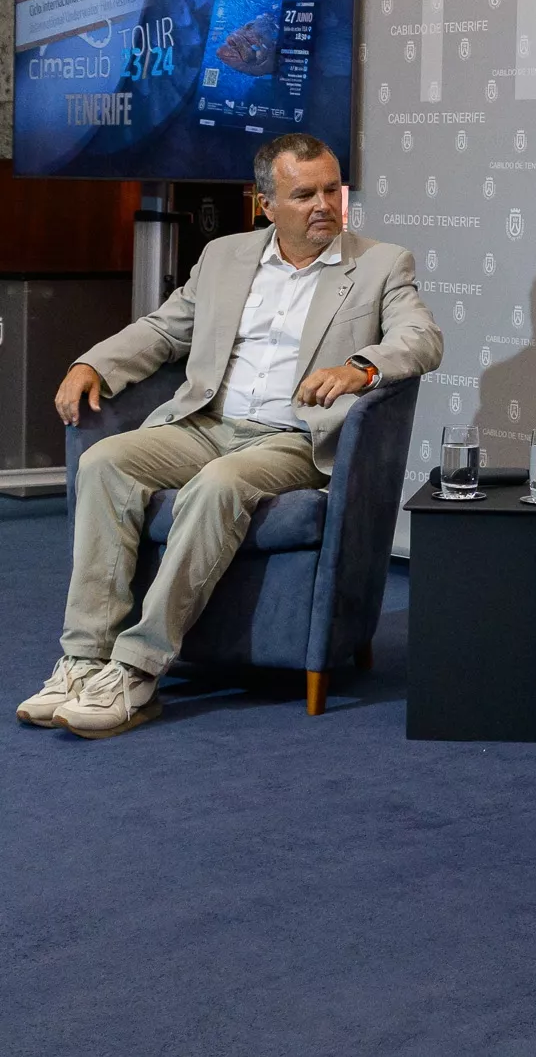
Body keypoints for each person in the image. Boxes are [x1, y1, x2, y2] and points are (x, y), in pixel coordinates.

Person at [16, 134, 443, 739]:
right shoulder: (224, 257)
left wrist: (361, 368)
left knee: (217, 487)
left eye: (332, 190)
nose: (324, 204)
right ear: (265, 203)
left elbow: (421, 338)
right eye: (304, 194)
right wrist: (93, 364)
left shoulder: (380, 263)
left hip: (292, 439)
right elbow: (164, 331)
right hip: (206, 424)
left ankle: (137, 669)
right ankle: (83, 658)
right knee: (106, 462)